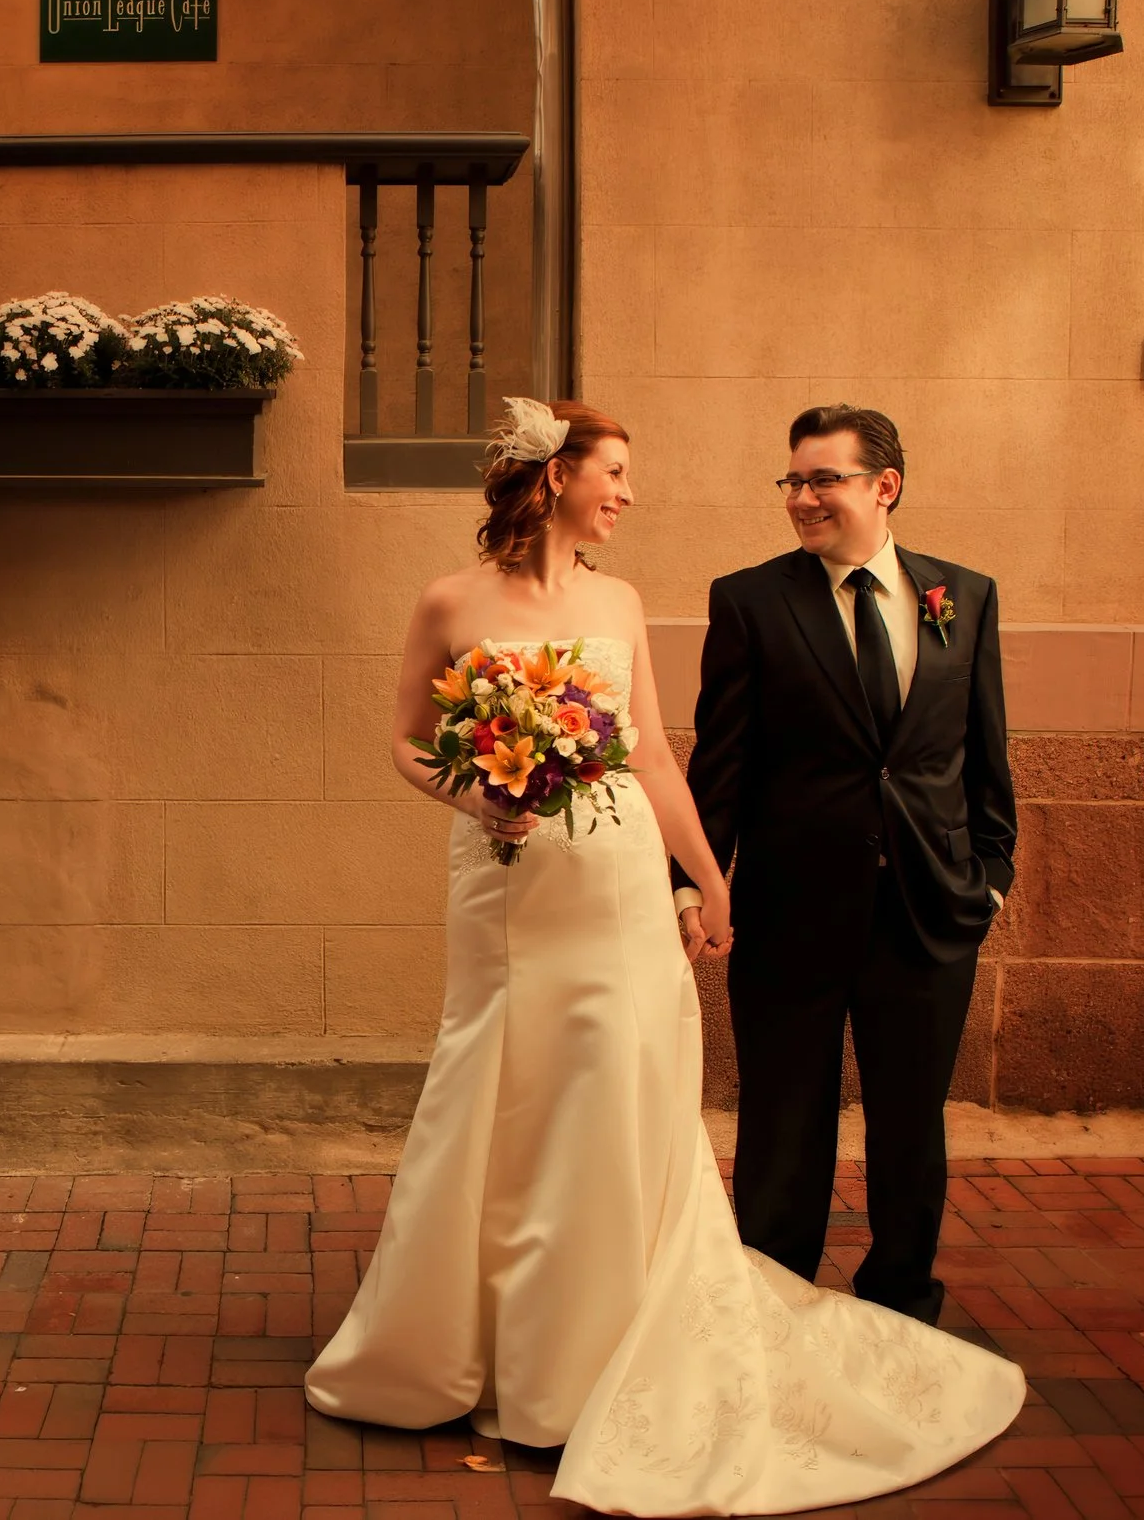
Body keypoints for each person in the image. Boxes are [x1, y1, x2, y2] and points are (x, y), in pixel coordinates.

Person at [306, 398, 1023, 1516]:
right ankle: (463, 1337)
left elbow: (656, 760)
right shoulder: (448, 601)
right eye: (617, 473)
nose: (630, 494)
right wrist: (475, 789)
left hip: (616, 872)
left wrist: (705, 875)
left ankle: (595, 1332)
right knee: (493, 1083)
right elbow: (405, 738)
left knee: (620, 1088)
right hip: (507, 877)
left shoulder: (623, 600)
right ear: (555, 479)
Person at [676, 403, 1017, 1328]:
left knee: (913, 1125)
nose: (802, 498)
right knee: (785, 1122)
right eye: (794, 480)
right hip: (792, 912)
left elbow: (985, 752)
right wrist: (694, 877)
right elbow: (723, 760)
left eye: (823, 478)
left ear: (883, 486)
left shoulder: (964, 596)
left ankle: (904, 1298)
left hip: (929, 910)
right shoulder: (750, 600)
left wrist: (989, 874)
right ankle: (773, 1300)